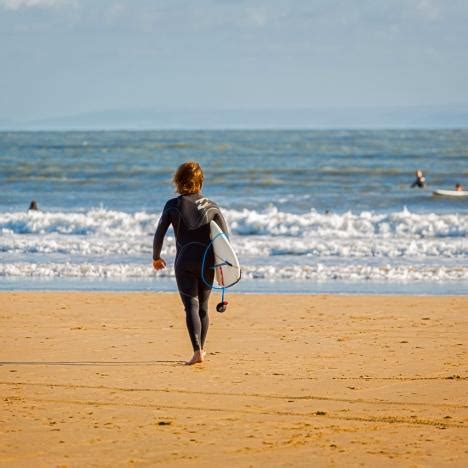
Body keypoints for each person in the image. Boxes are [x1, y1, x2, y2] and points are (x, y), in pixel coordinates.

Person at [153, 161, 229, 365]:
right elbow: (224, 239)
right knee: (203, 307)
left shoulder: (172, 205)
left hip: (184, 262)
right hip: (207, 262)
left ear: (178, 181)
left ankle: (197, 351)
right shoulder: (212, 206)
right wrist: (225, 268)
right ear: (200, 182)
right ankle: (201, 350)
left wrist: (156, 256)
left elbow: (160, 232)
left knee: (191, 307)